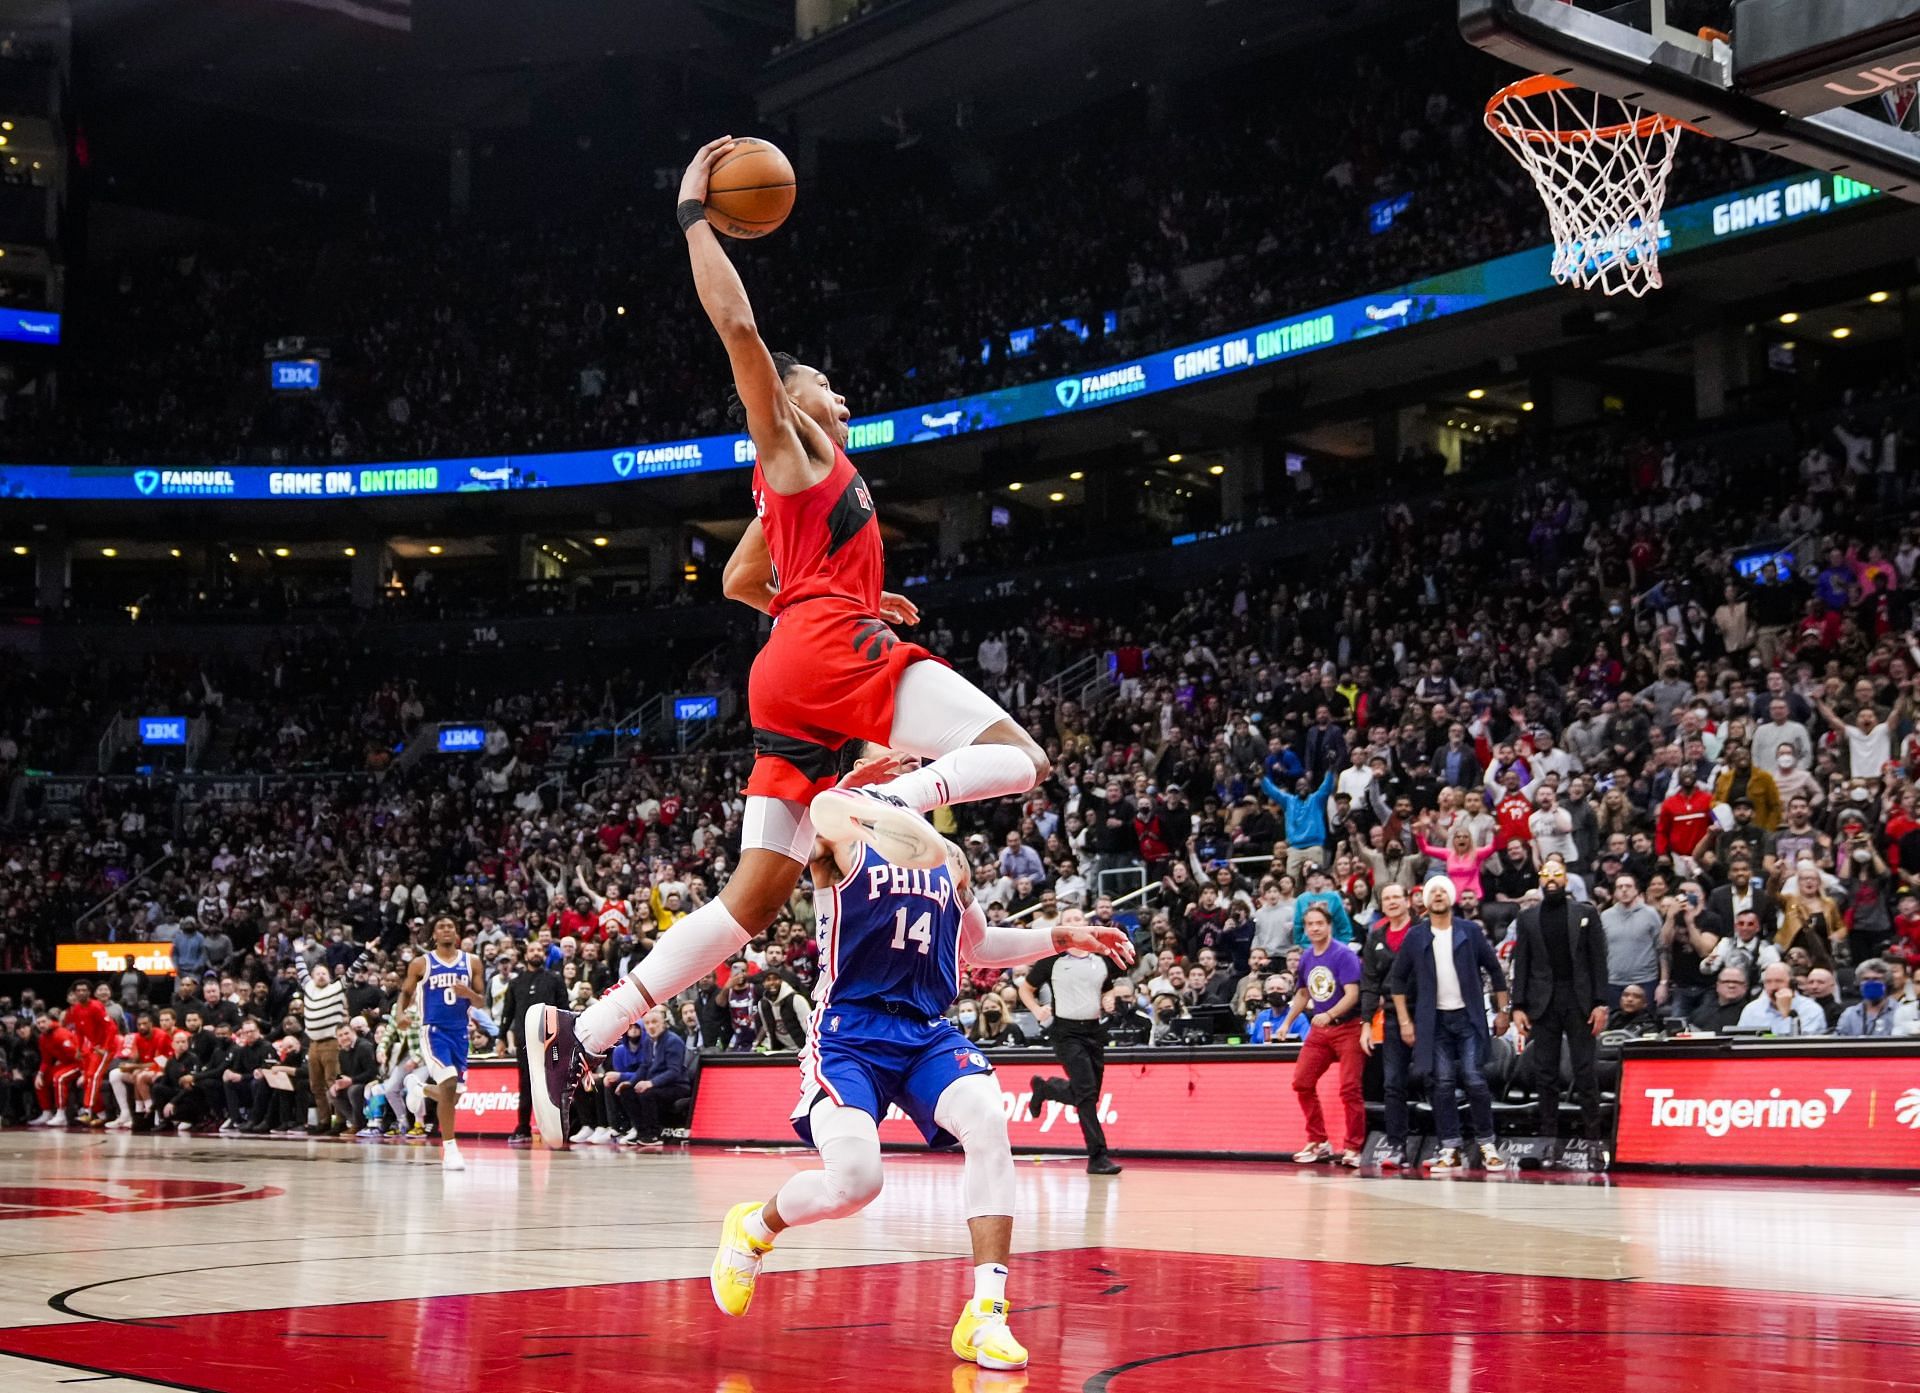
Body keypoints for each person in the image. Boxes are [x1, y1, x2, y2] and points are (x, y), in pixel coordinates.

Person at [529, 141, 1060, 1140]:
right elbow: (737, 324)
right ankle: (880, 796)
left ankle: (581, 1032)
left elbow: (741, 580)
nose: (845, 402)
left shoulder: (800, 495)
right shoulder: (791, 439)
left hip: (793, 669)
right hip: (824, 655)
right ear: (799, 399)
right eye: (829, 391)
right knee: (1017, 760)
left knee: (752, 901)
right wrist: (693, 209)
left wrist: (850, 590)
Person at [704, 751, 1132, 1378]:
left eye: (909, 750)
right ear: (861, 766)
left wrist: (1062, 937)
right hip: (850, 1030)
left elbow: (980, 946)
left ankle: (987, 1313)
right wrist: (857, 788)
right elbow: (824, 811)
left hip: (924, 1029)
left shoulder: (950, 859)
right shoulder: (834, 834)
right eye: (882, 749)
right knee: (856, 1181)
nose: (901, 753)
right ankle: (754, 1227)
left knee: (988, 1118)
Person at [1388, 877, 1510, 1174]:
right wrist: (1405, 1021)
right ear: (1425, 902)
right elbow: (1398, 980)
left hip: (1468, 1018)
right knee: (1442, 1084)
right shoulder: (1416, 936)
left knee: (1474, 1078)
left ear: (1452, 897)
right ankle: (1450, 1148)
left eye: (1443, 890)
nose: (1438, 895)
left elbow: (1495, 970)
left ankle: (1487, 1144)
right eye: (1433, 892)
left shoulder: (1469, 931)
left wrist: (1503, 1010)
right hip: (1435, 1021)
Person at [1508, 856, 1610, 1153]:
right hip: (1543, 1003)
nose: (1551, 878)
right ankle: (1548, 1140)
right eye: (1546, 873)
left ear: (1566, 879)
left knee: (1584, 1071)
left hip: (1579, 1001)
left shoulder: (1586, 913)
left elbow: (1598, 963)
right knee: (1546, 1074)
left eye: (1557, 873)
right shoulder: (1527, 918)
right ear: (1540, 878)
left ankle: (1593, 1139)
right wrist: (1517, 1006)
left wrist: (1601, 1003)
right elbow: (1521, 964)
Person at [1023, 907, 1124, 1176]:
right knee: (1087, 1094)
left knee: (1088, 1094)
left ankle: (1047, 1089)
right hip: (1066, 1032)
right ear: (1062, 927)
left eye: (1078, 919)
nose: (1075, 923)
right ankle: (1098, 1156)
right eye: (1068, 920)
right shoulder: (1051, 959)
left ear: (1087, 923)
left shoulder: (1101, 957)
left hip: (1095, 1031)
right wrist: (1037, 1010)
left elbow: (1106, 987)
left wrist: (1110, 997)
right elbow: (1026, 988)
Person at [1277, 904, 1365, 1166]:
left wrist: (1329, 1014)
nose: (1314, 928)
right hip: (1320, 1030)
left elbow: (1353, 994)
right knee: (1302, 1081)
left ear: (1329, 926)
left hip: (1348, 1026)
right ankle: (1319, 1141)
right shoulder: (1305, 957)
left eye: (1319, 923)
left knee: (1350, 1088)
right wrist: (1286, 1023)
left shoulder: (1343, 955)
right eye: (1310, 924)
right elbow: (1303, 994)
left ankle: (1353, 1148)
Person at [401, 914, 488, 1170]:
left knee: (455, 1095)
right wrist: (399, 1014)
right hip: (433, 1031)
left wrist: (469, 993)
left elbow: (481, 1001)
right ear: (434, 934)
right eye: (441, 927)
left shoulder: (472, 962)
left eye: (451, 926)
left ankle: (421, 1089)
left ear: (457, 933)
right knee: (449, 1084)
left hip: (460, 1033)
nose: (447, 930)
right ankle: (450, 1149)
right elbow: (405, 992)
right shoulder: (421, 963)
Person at [1356, 882, 1418, 1169]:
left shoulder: (1422, 930)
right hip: (1391, 1017)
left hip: (1426, 1012)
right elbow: (1369, 983)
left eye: (1397, 897)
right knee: (1392, 1083)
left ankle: (1446, 1145)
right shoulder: (1376, 937)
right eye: (1387, 898)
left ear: (1408, 901)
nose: (1392, 902)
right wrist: (1366, 1023)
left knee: (1437, 1079)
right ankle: (1396, 1147)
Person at [501, 941, 567, 1145]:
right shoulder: (516, 982)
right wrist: (501, 1037)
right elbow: (508, 1013)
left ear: (544, 954)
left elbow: (564, 1009)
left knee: (555, 1085)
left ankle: (560, 1130)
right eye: (532, 950)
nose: (536, 953)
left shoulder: (555, 979)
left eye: (539, 950)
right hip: (524, 1043)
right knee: (526, 1084)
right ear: (525, 955)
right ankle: (523, 1128)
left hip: (551, 1041)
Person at [605, 1006, 691, 1145]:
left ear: (663, 1023)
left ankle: (653, 1134)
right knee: (626, 1091)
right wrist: (630, 1082)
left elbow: (673, 1072)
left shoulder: (673, 1041)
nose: (651, 1026)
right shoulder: (648, 1042)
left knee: (647, 1093)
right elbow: (644, 1067)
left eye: (655, 1022)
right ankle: (641, 1131)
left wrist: (650, 1083)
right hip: (659, 1084)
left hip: (677, 1085)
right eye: (648, 1023)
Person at [1600, 873, 1665, 1010]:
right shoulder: (1605, 916)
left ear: (1636, 890)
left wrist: (1663, 983)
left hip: (1645, 981)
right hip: (1614, 982)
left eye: (1628, 886)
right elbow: (1601, 951)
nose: (1624, 890)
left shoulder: (1650, 914)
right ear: (1615, 892)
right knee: (1615, 1027)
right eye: (1620, 887)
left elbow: (1662, 950)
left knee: (1646, 1027)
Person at [1736, 961, 1828, 1035]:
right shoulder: (1751, 1010)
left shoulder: (1811, 1009)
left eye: (1779, 981)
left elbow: (1801, 1047)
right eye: (1768, 982)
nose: (1773, 987)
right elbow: (1740, 1042)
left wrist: (1786, 1015)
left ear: (1792, 984)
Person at [1688, 964, 1754, 1031]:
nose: (1731, 985)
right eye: (1726, 981)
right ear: (1717, 986)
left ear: (1746, 987)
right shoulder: (1703, 1010)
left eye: (1736, 982)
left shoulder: (1750, 1013)